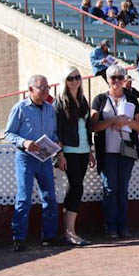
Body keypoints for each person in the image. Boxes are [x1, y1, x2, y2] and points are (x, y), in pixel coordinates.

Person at [4, 75, 60, 251]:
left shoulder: (50, 109)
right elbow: (8, 133)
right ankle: (18, 238)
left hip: (45, 158)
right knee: (24, 197)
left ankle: (49, 236)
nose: (45, 91)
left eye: (47, 88)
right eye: (41, 88)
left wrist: (57, 143)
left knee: (50, 196)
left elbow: (53, 133)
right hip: (26, 158)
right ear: (30, 90)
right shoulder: (20, 108)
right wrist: (25, 143)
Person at [91, 64, 139, 239]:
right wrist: (112, 120)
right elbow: (93, 126)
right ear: (107, 79)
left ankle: (123, 226)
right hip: (107, 151)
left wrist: (125, 122)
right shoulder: (99, 100)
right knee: (110, 189)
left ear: (124, 79)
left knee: (123, 189)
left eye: (120, 77)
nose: (116, 81)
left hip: (127, 149)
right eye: (113, 77)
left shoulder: (131, 99)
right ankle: (110, 227)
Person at [54, 67, 94, 246]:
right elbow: (58, 131)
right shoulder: (60, 102)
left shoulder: (83, 100)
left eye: (77, 77)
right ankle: (69, 232)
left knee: (77, 187)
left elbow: (87, 127)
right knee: (76, 187)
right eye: (70, 78)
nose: (75, 81)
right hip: (69, 151)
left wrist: (91, 150)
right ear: (65, 80)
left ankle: (70, 230)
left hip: (84, 150)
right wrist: (59, 154)